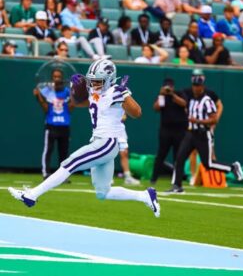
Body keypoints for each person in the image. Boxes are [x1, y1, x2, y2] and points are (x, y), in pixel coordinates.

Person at [8, 59, 160, 218]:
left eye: (97, 81)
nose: (93, 84)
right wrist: (76, 89)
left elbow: (137, 113)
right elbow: (77, 103)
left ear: (109, 79)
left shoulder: (115, 91)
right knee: (103, 192)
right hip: (99, 142)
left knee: (69, 163)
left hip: (106, 142)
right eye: (91, 80)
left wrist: (125, 95)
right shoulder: (96, 92)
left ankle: (31, 195)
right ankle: (145, 196)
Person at [166, 73, 243, 193]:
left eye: (198, 85)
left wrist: (197, 120)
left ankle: (232, 167)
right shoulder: (191, 99)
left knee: (208, 163)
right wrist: (171, 94)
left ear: (202, 86)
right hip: (190, 133)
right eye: (194, 85)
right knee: (180, 158)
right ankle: (177, 185)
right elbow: (183, 103)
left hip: (203, 135)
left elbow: (214, 119)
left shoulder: (207, 100)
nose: (195, 88)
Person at [33, 69, 73, 179]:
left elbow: (70, 109)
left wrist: (75, 99)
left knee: (64, 153)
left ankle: (63, 176)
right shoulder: (47, 91)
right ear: (52, 78)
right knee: (48, 150)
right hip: (51, 125)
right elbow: (46, 109)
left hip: (64, 126)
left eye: (59, 76)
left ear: (62, 78)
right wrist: (38, 96)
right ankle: (45, 173)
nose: (57, 79)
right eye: (54, 77)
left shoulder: (67, 92)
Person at [151, 78, 188, 184]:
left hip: (179, 130)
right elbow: (156, 108)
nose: (168, 89)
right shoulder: (162, 96)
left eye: (170, 87)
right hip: (165, 131)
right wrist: (161, 95)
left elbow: (184, 103)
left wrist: (172, 95)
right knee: (161, 154)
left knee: (178, 155)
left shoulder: (179, 93)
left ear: (173, 87)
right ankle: (154, 178)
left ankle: (176, 179)